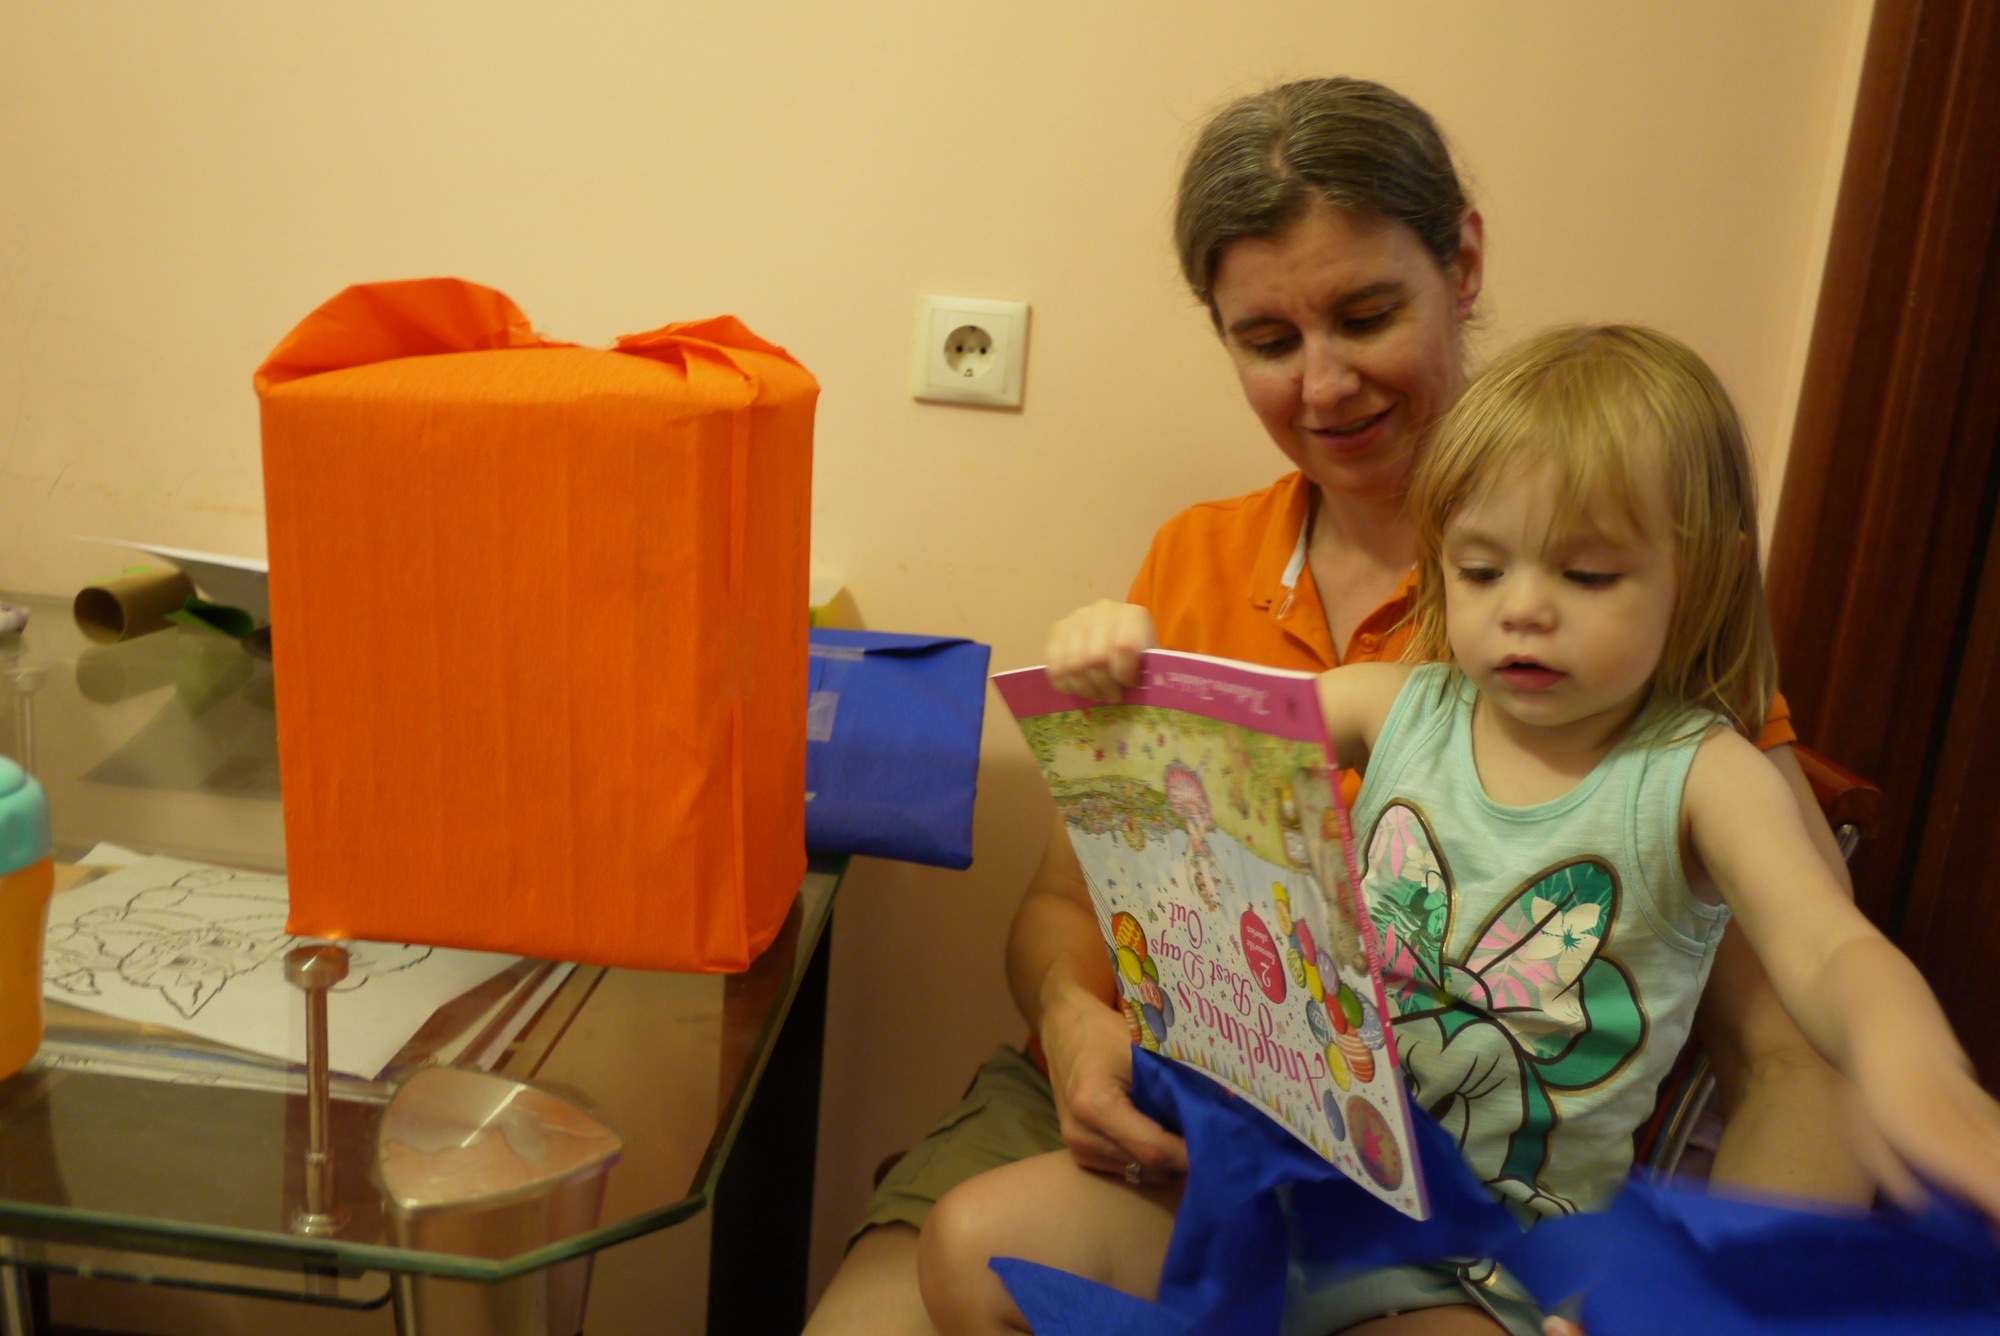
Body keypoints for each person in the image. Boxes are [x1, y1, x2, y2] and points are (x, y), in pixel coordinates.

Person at [803, 77, 1868, 1336]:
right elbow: (1057, 909)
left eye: (1366, 316)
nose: (1322, 387)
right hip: (1117, 1113)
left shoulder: (1603, 624)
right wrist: (1068, 1014)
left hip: (1428, 1202)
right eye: (1266, 341)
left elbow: (1802, 1054)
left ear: (1461, 263)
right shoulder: (1196, 559)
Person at [914, 324, 2000, 1335]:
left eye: (1586, 574)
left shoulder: (1702, 776)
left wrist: (1922, 1075)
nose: (1521, 606)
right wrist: (1117, 659)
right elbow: (1186, 748)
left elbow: (1830, 948)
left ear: (1701, 571)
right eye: (1481, 569)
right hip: (1290, 1186)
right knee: (971, 1245)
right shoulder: (1392, 704)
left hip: (1484, 1261)